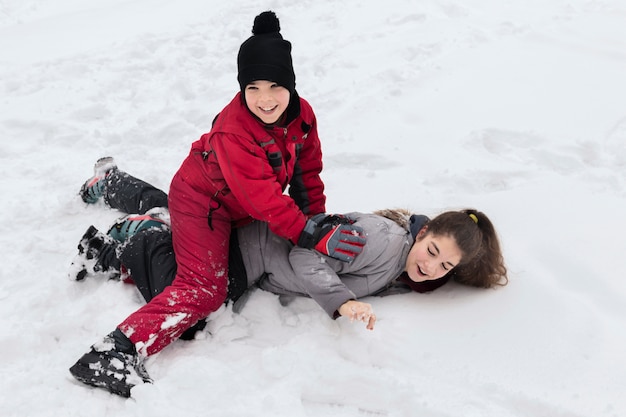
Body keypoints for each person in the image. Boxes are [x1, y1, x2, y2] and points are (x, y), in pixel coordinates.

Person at [68, 10, 369, 397]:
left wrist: (317, 221)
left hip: (232, 207)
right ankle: (114, 352)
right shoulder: (234, 131)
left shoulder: (303, 117)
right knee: (204, 290)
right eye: (253, 87)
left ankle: (115, 196)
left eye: (276, 86)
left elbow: (306, 175)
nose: (265, 99)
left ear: (292, 86)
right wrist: (309, 233)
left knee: (201, 256)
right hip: (202, 204)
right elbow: (265, 200)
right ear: (242, 88)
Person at [68, 162, 508, 397]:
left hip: (252, 253)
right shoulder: (384, 240)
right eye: (432, 253)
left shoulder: (406, 264)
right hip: (247, 251)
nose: (432, 268)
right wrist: (341, 303)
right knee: (191, 306)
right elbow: (304, 252)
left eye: (445, 267)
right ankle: (138, 236)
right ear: (424, 232)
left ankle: (116, 187)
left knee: (185, 217)